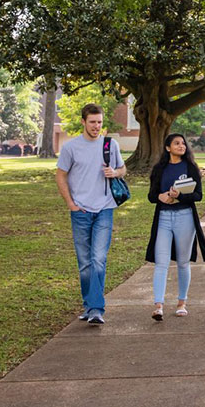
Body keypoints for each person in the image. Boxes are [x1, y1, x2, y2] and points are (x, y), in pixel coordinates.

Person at [55, 103, 126, 326]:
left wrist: (115, 172)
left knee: (98, 259)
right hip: (81, 211)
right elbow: (60, 176)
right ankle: (89, 305)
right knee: (85, 262)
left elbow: (123, 169)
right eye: (93, 122)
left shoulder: (109, 144)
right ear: (83, 122)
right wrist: (71, 205)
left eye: (100, 122)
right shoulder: (71, 147)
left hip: (104, 209)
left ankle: (96, 308)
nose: (97, 126)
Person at [145, 133, 205, 321]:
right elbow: (151, 195)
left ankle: (182, 303)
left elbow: (198, 195)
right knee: (161, 261)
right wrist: (161, 196)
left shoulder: (190, 167)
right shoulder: (159, 169)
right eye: (176, 143)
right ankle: (158, 305)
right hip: (164, 218)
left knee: (183, 262)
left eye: (183, 143)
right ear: (168, 148)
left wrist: (179, 196)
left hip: (185, 217)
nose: (181, 146)